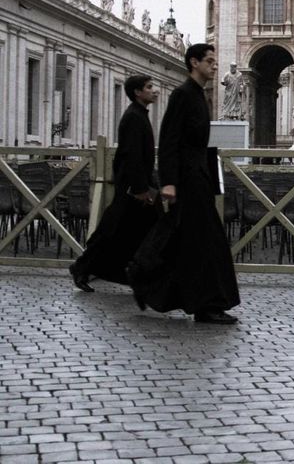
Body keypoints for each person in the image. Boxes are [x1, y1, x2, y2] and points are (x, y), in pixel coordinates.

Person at [127, 43, 240, 324]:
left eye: (215, 61)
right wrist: (168, 183)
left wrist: (214, 179)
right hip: (186, 181)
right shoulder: (182, 95)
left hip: (199, 177)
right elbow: (169, 140)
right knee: (203, 242)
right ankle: (205, 304)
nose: (215, 65)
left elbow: (204, 143)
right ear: (194, 62)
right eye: (210, 61)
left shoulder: (202, 96)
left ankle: (145, 279)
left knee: (187, 241)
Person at [69, 75, 160, 292]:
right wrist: (139, 188)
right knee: (112, 230)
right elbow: (132, 155)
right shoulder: (133, 118)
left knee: (130, 232)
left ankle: (137, 274)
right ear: (138, 92)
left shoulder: (139, 115)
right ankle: (83, 266)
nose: (153, 91)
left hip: (136, 185)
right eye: (149, 87)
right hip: (133, 188)